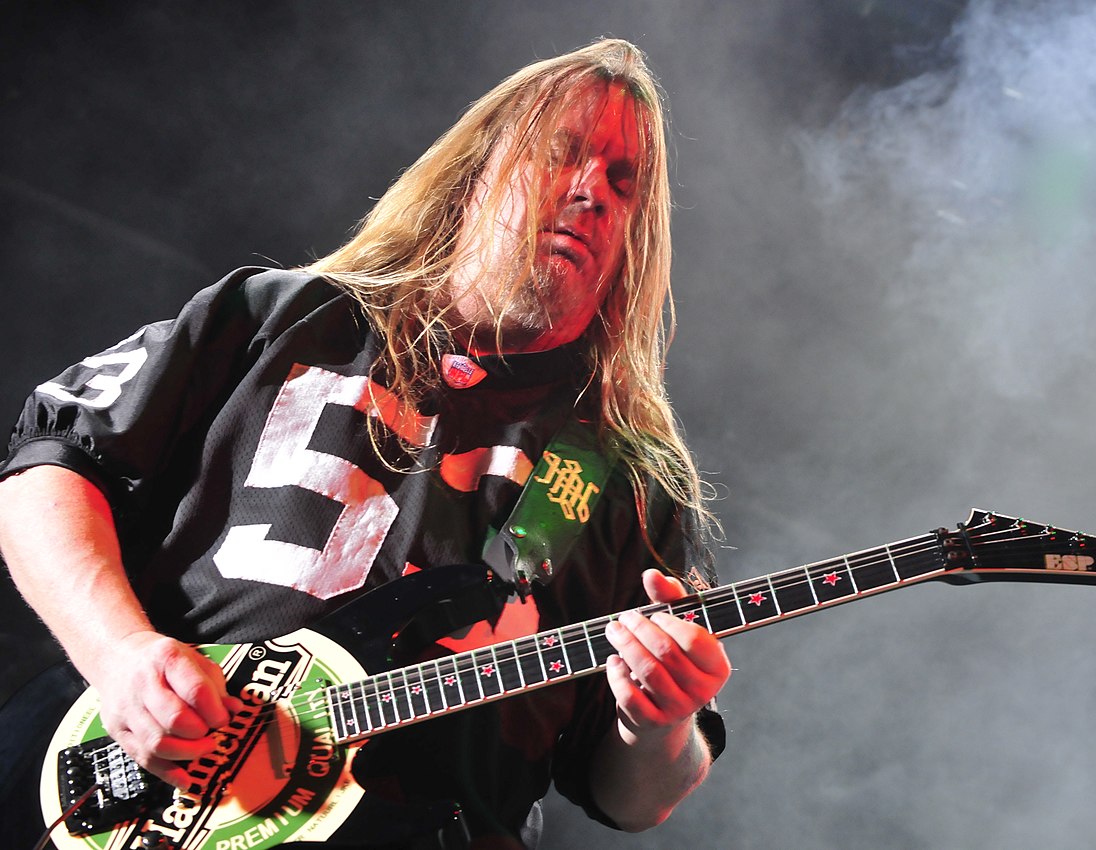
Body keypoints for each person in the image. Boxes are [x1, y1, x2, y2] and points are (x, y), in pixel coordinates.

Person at [0, 38, 730, 849]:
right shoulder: (284, 316)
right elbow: (48, 466)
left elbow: (632, 800)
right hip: (141, 801)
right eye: (561, 154)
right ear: (475, 176)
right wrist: (120, 655)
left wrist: (661, 723)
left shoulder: (627, 477)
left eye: (623, 183)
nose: (592, 191)